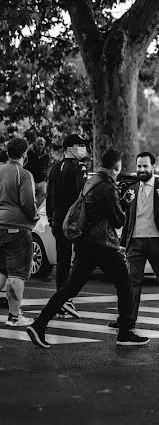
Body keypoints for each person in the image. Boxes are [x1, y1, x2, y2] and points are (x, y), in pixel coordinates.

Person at [26, 149, 149, 348]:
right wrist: (126, 202)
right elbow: (118, 221)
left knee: (70, 288)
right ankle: (125, 332)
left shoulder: (92, 181)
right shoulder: (108, 186)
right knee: (125, 285)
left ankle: (39, 324)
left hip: (85, 243)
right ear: (117, 167)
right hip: (103, 244)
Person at [115, 152, 159, 329]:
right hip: (136, 242)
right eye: (139, 166)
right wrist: (123, 244)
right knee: (132, 281)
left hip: (158, 242)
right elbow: (126, 217)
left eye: (145, 166)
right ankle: (129, 320)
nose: (141, 169)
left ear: (153, 167)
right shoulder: (131, 189)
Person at [44, 133, 90, 318]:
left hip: (57, 221)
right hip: (74, 222)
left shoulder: (55, 167)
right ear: (70, 148)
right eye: (80, 145)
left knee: (63, 262)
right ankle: (68, 298)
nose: (83, 149)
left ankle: (61, 301)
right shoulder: (80, 168)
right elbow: (84, 193)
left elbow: (49, 195)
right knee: (80, 261)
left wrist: (50, 217)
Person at [0, 138, 39, 327]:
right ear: (25, 154)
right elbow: (27, 202)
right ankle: (14, 316)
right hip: (17, 228)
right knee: (16, 274)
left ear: (8, 153)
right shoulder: (23, 174)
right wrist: (34, 217)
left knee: (1, 271)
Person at [24, 136, 50, 207]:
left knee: (44, 195)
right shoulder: (29, 154)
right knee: (29, 198)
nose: (40, 146)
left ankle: (36, 209)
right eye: (38, 144)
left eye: (42, 144)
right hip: (31, 180)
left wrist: (47, 179)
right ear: (35, 144)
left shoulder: (46, 156)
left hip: (41, 181)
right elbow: (25, 166)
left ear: (44, 145)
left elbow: (47, 167)